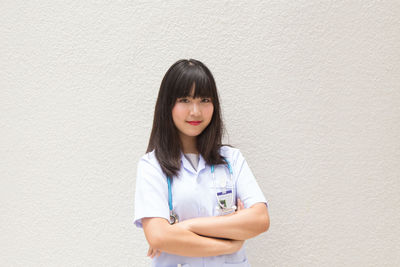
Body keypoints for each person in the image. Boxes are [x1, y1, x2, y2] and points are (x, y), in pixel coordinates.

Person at [134, 59, 270, 266]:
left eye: (204, 100)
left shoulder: (232, 159)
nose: (195, 111)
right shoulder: (152, 166)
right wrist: (229, 244)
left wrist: (183, 228)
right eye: (185, 100)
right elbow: (159, 237)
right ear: (167, 105)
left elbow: (260, 220)